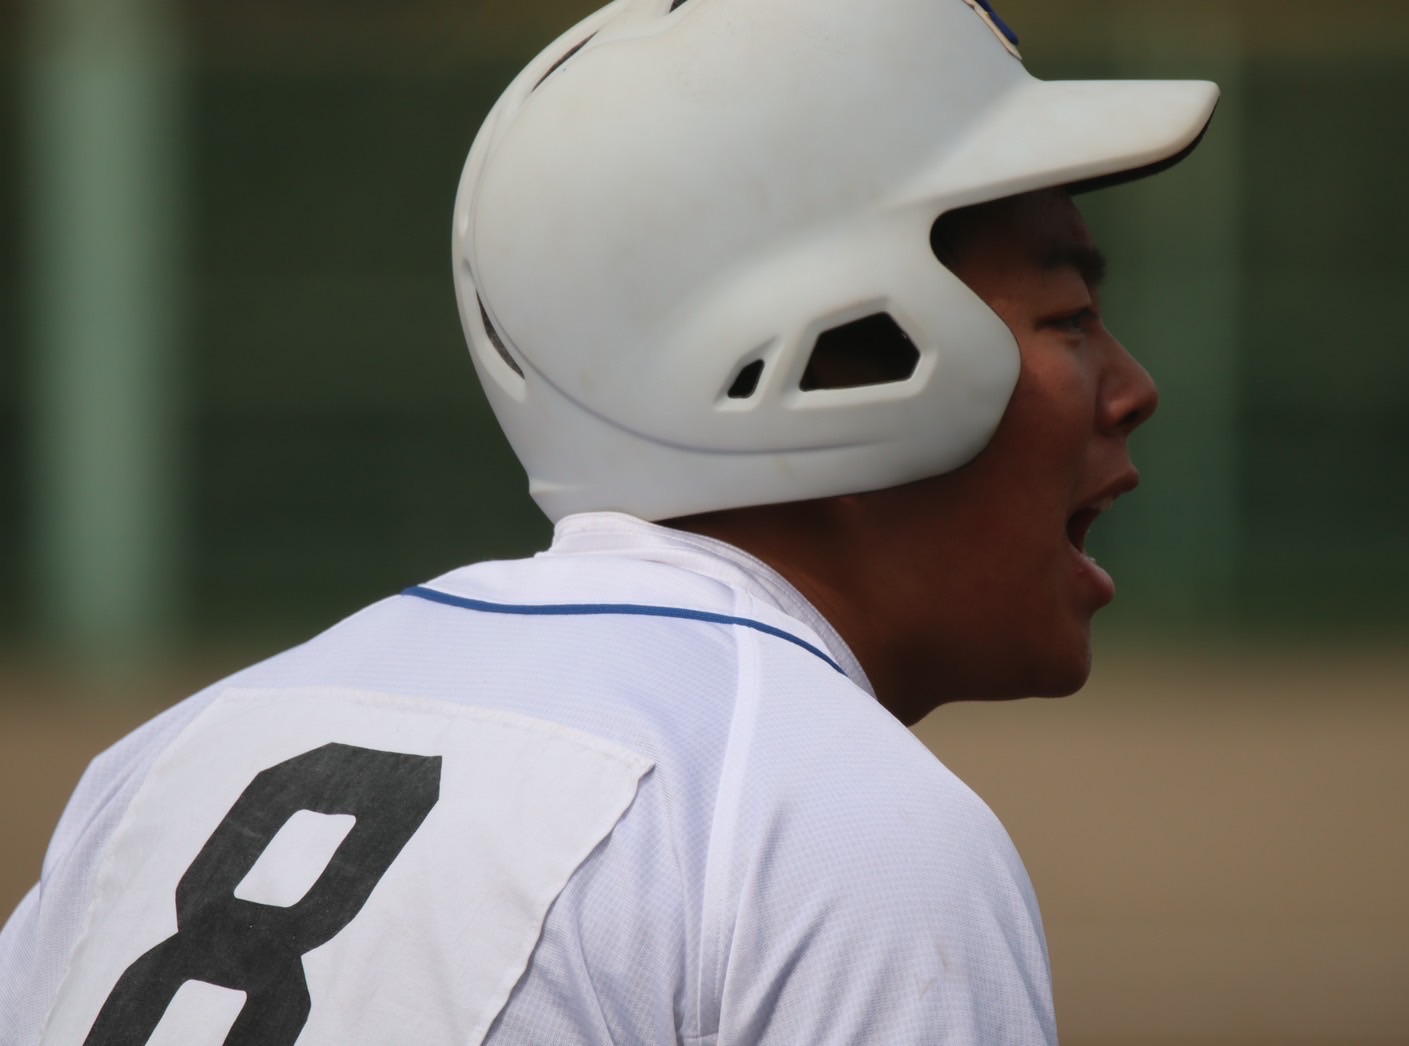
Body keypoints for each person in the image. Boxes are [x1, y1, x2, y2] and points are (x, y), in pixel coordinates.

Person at [0, 0, 1216, 1041]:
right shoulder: (843, 827)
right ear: (847, 354)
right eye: (1067, 316)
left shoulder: (171, 758)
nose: (1131, 387)